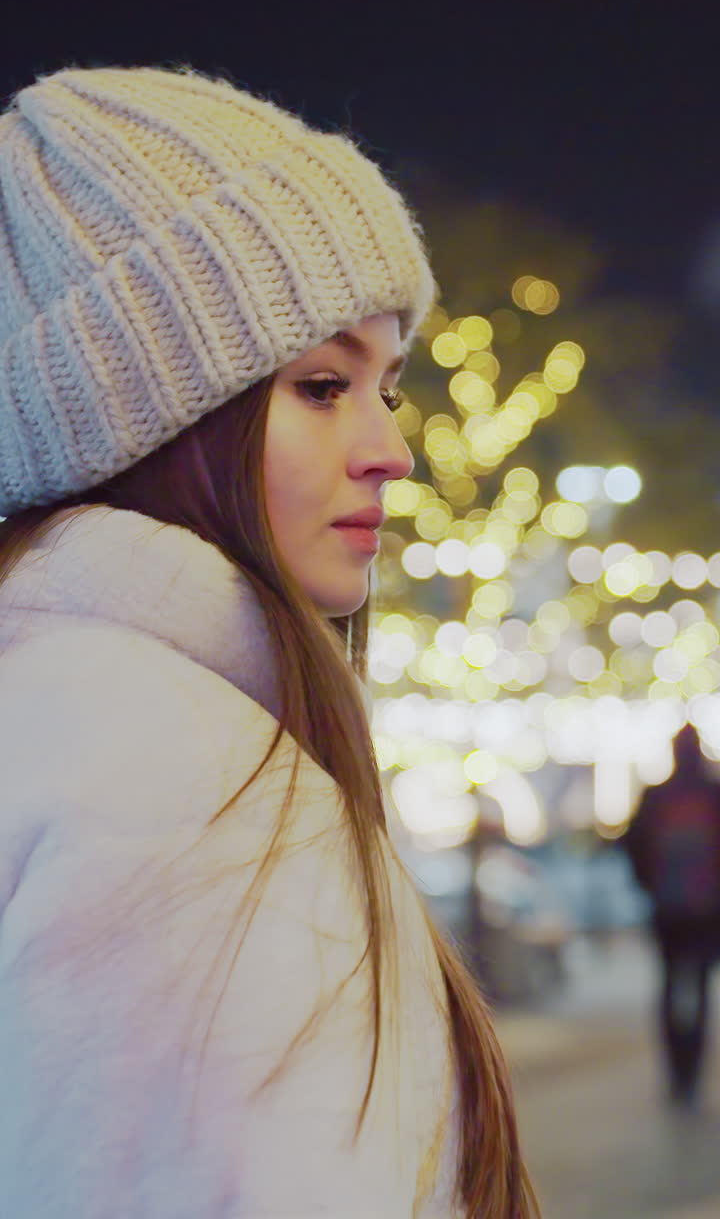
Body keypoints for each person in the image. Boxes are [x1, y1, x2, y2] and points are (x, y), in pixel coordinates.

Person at [0, 66, 540, 1217]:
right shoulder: (178, 780)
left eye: (384, 385)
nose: (390, 447)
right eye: (320, 383)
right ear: (138, 411)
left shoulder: (68, 714)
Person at [624, 723, 720, 1106]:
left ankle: (680, 1071)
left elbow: (632, 844)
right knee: (697, 987)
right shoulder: (713, 794)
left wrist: (649, 885)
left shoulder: (657, 796)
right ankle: (690, 1070)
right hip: (705, 911)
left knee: (669, 988)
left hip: (669, 909)